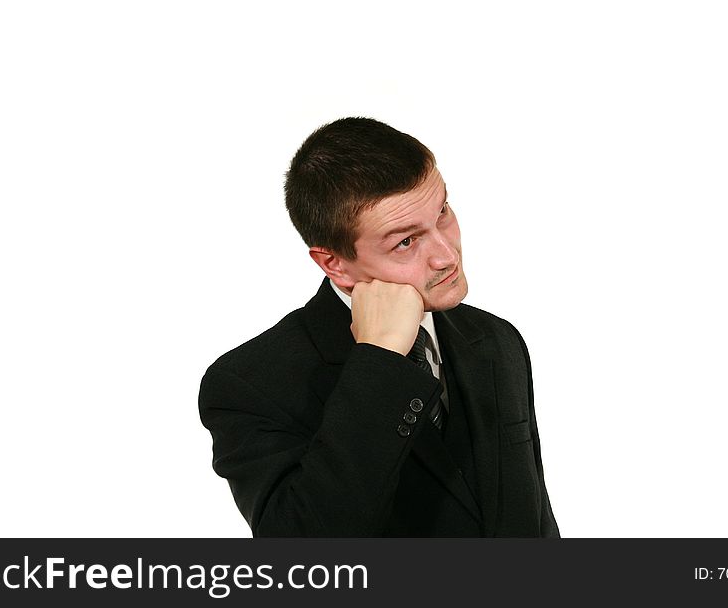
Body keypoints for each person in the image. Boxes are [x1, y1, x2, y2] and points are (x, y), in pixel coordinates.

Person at [198, 117, 559, 537]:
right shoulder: (250, 383)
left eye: (441, 212)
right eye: (406, 241)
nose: (446, 255)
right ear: (334, 263)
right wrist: (380, 361)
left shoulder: (496, 340)